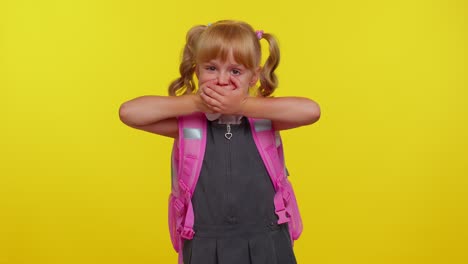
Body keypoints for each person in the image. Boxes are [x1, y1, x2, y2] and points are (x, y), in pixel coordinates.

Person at [119, 20, 320, 264]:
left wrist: (243, 105)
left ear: (254, 76)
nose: (222, 80)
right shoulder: (190, 126)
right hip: (204, 245)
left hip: (268, 242)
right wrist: (195, 103)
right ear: (197, 71)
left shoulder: (265, 121)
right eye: (211, 68)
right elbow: (129, 113)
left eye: (235, 71)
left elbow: (311, 111)